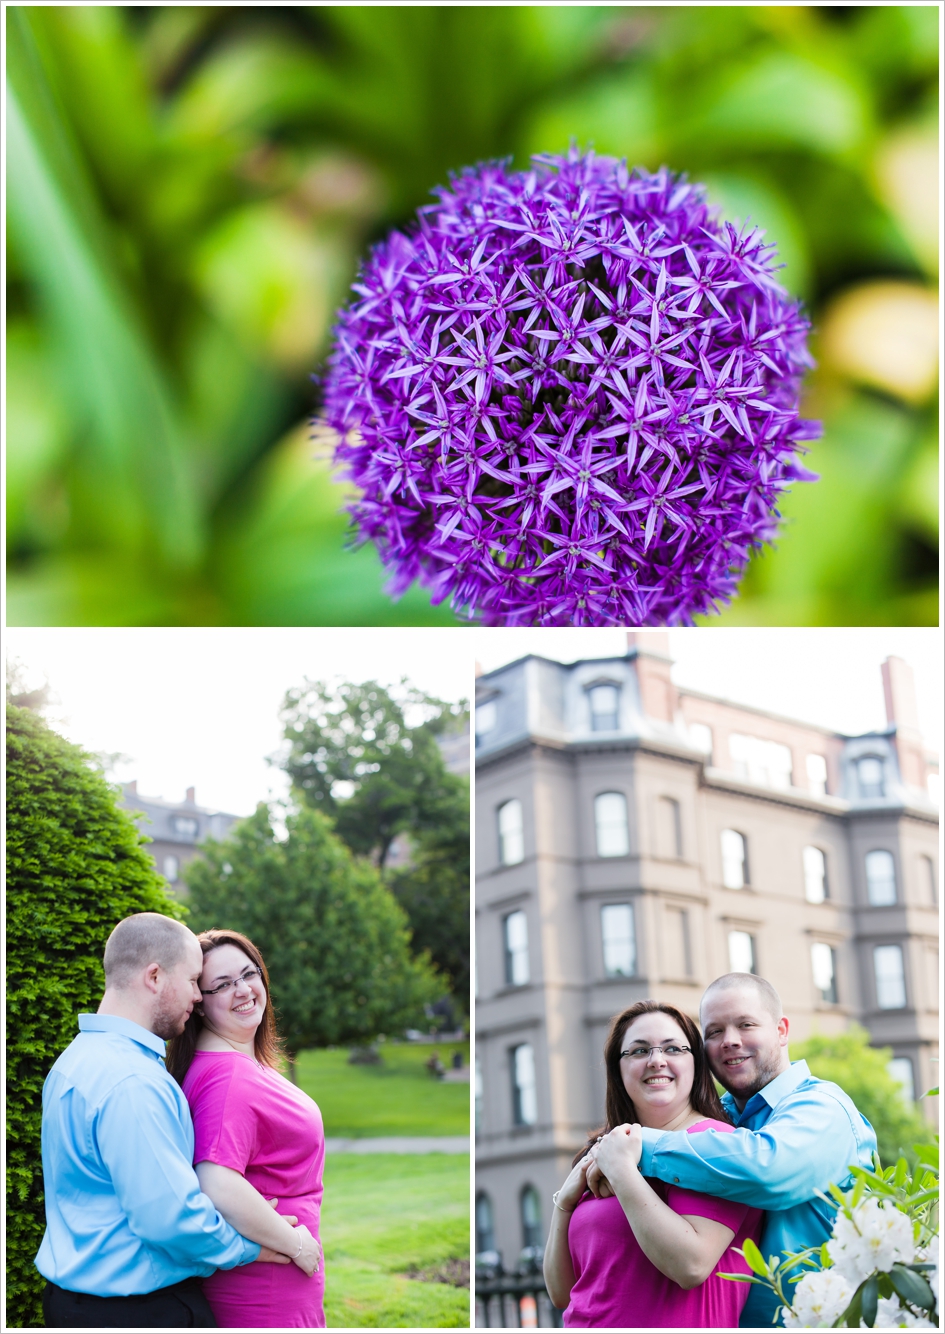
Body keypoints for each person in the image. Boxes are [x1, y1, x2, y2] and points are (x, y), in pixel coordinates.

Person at [35, 912, 309, 1329]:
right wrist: (256, 1246)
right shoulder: (133, 1082)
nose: (197, 998)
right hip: (136, 1311)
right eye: (192, 981)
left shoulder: (74, 1061)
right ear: (155, 977)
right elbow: (170, 1219)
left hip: (74, 1303)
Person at [586, 973, 878, 1328]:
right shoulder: (718, 1122)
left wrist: (635, 1145)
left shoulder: (823, 1108)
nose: (730, 1041)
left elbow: (766, 1168)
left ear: (782, 1030)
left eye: (746, 1024)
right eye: (714, 1032)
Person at [544, 1000, 763, 1328]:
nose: (657, 1060)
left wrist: (621, 1172)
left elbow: (691, 1266)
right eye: (639, 1051)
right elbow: (562, 1293)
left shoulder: (715, 1144)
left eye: (673, 1048)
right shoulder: (604, 1151)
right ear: (618, 1069)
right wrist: (564, 1202)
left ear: (695, 1064)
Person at [166, 929, 325, 1329]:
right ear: (200, 1005)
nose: (242, 990)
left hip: (274, 1282)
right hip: (264, 1289)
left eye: (248, 974)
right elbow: (215, 1181)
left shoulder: (234, 1063)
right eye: (222, 985)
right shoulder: (227, 1077)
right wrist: (297, 1245)